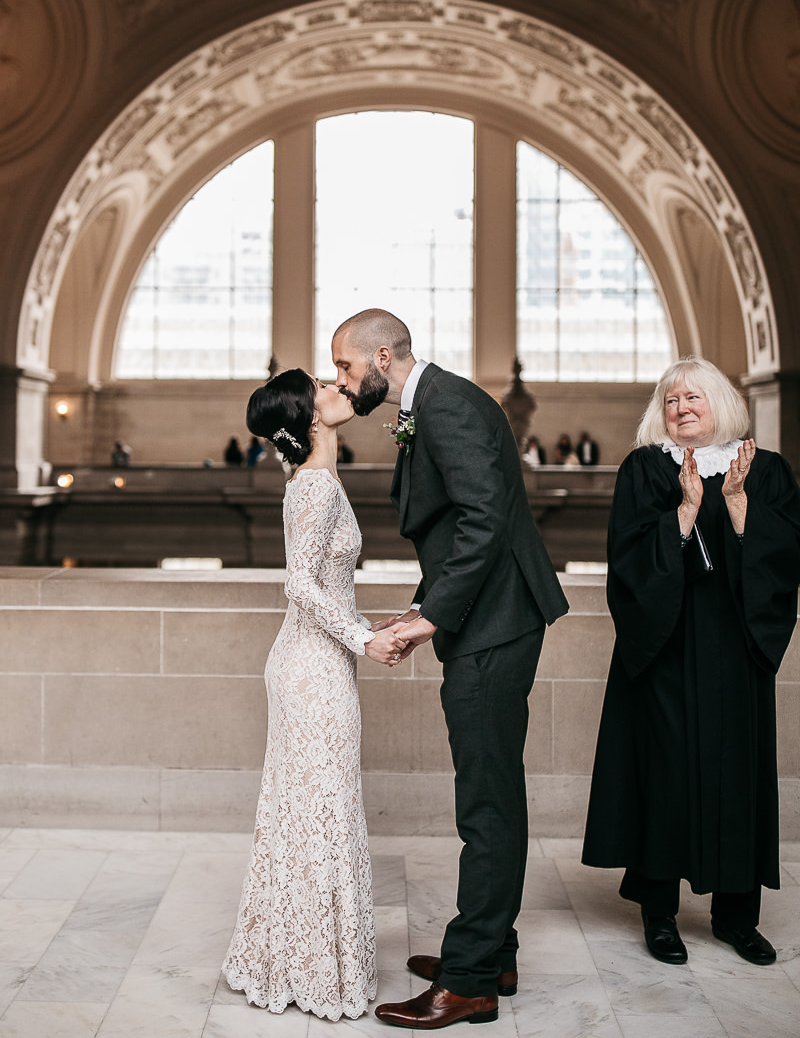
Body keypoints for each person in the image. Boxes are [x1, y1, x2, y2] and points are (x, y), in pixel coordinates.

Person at [331, 308, 569, 1028]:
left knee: (486, 803)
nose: (341, 380)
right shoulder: (434, 402)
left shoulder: (445, 407)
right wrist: (422, 607)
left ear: (380, 355)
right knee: (489, 791)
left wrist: (431, 617)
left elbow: (484, 517)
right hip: (488, 617)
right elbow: (461, 529)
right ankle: (491, 951)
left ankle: (469, 981)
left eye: (344, 366)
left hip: (494, 626)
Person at [582, 356, 800, 968]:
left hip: (735, 656)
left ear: (720, 403)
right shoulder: (644, 471)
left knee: (739, 778)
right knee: (664, 778)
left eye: (693, 397)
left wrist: (738, 508)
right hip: (666, 655)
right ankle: (659, 916)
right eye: (671, 399)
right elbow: (626, 560)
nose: (682, 407)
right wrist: (680, 515)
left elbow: (787, 556)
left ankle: (737, 917)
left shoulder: (764, 471)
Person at [221, 368, 404, 1019]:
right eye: (323, 387)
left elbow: (326, 582)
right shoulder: (316, 486)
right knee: (321, 811)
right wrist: (362, 638)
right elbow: (299, 585)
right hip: (313, 667)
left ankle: (298, 955)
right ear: (308, 415)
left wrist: (375, 624)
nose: (337, 387)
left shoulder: (317, 479)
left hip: (315, 660)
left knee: (313, 811)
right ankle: (312, 968)